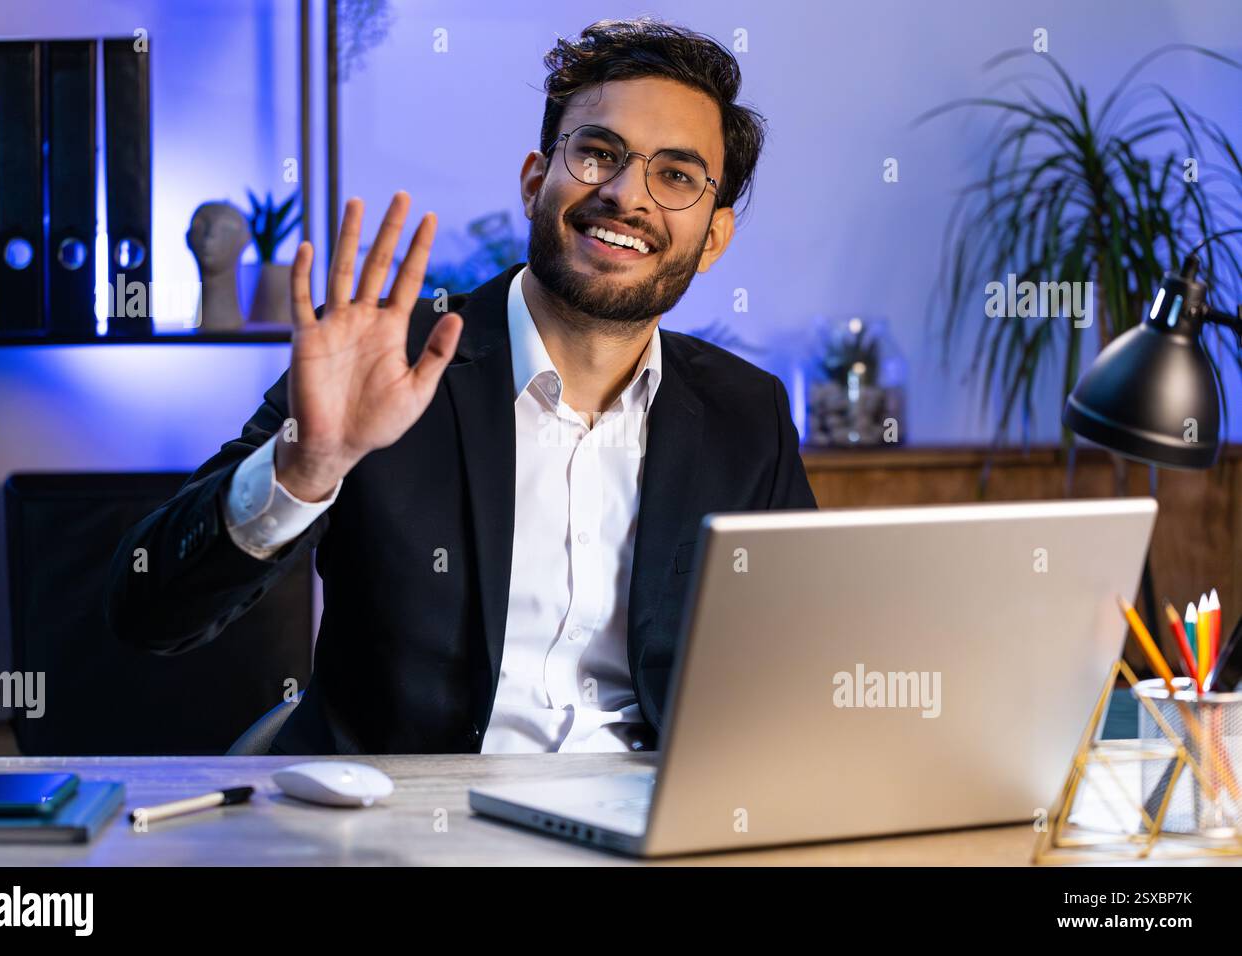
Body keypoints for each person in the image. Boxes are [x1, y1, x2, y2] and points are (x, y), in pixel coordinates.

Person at [106, 18, 816, 755]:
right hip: (410, 832)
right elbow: (146, 612)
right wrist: (305, 468)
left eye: (676, 175)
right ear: (536, 181)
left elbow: (802, 657)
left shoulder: (746, 413)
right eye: (599, 153)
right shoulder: (384, 365)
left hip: (651, 828)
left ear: (715, 236)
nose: (626, 195)